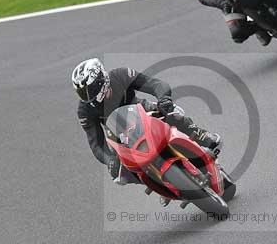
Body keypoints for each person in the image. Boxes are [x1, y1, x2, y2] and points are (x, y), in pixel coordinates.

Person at [73, 58, 221, 190]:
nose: (88, 96)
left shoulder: (121, 75)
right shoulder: (84, 111)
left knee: (172, 112)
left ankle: (201, 135)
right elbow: (96, 144)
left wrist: (164, 99)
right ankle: (158, 184)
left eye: (90, 89)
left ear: (102, 80)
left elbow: (155, 84)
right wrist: (110, 159)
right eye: (82, 93)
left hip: (142, 111)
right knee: (117, 173)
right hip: (120, 134)